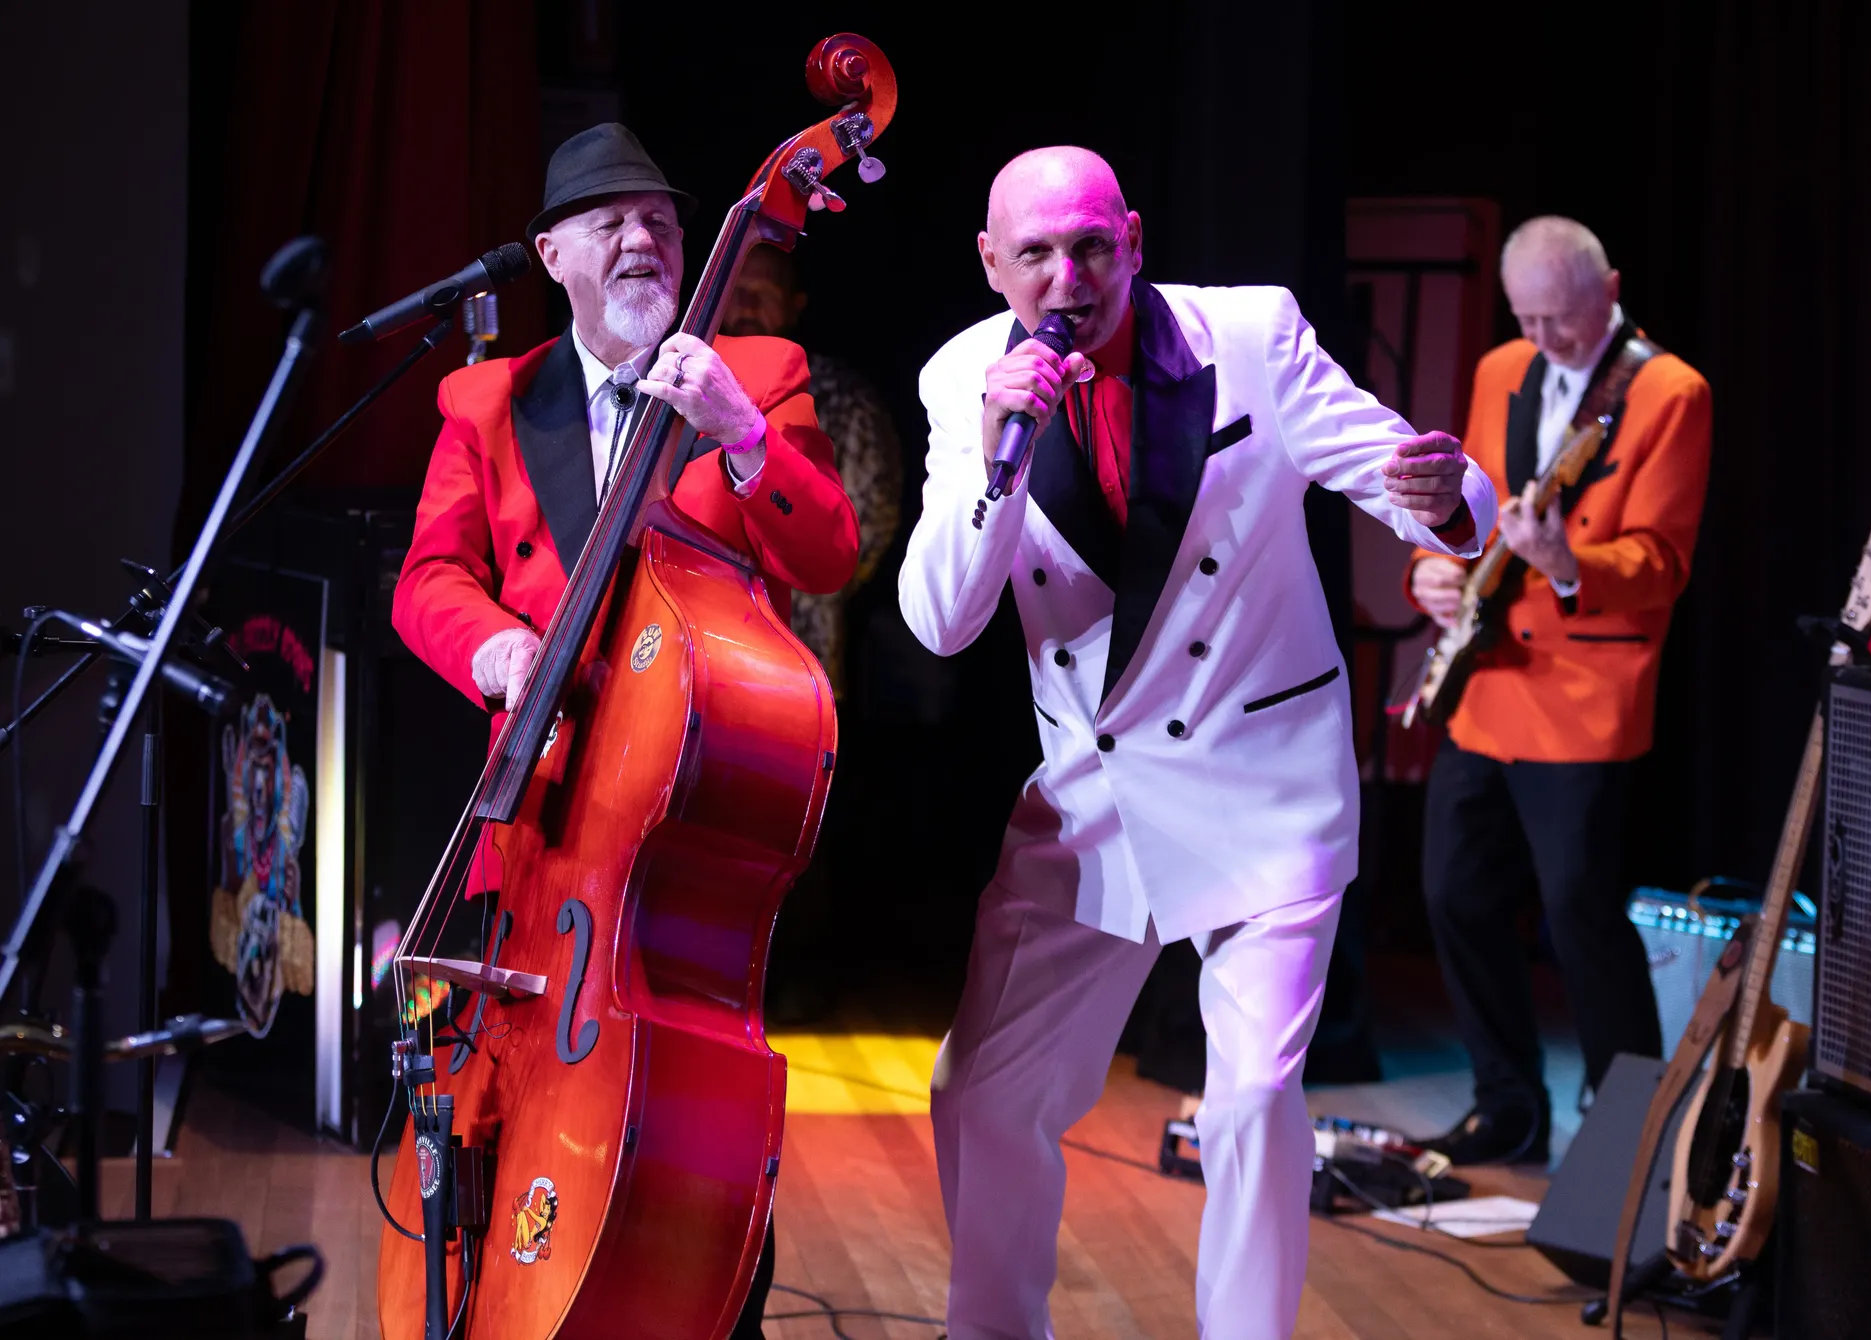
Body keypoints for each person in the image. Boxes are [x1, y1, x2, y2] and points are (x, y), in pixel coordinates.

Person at [899, 146, 1496, 1339]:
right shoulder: (963, 376)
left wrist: (1442, 498)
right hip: (1090, 795)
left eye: (1090, 246)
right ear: (990, 263)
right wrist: (993, 463)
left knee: (1250, 1096)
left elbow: (1410, 478)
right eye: (1035, 254)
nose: (1068, 276)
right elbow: (941, 617)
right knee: (983, 1088)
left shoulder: (1250, 338)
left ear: (1131, 236)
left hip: (1261, 783)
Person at [391, 122, 858, 1340]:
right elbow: (429, 578)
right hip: (542, 838)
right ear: (553, 254)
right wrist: (495, 643)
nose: (642, 239)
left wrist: (743, 436)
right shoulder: (491, 399)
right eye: (608, 223)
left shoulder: (754, 370)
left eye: (658, 218)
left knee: (691, 1174)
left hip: (674, 838)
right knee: (487, 1156)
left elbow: (826, 551)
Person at [1405, 215, 1712, 1165]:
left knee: (1580, 914)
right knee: (1453, 891)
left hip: (1586, 690)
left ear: (1610, 289)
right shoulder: (1502, 368)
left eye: (1564, 322)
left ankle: (1632, 1136)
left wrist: (1570, 564)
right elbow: (1469, 504)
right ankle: (1509, 1104)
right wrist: (1435, 565)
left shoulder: (1669, 392)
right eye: (1529, 320)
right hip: (1487, 676)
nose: (1545, 341)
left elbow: (1662, 561)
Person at [721, 245, 903, 1022]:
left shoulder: (838, 395)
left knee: (799, 823)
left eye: (766, 295)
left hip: (802, 647)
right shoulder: (676, 381)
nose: (748, 307)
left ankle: (796, 983)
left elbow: (868, 526)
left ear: (795, 306)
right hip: (695, 648)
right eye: (739, 292)